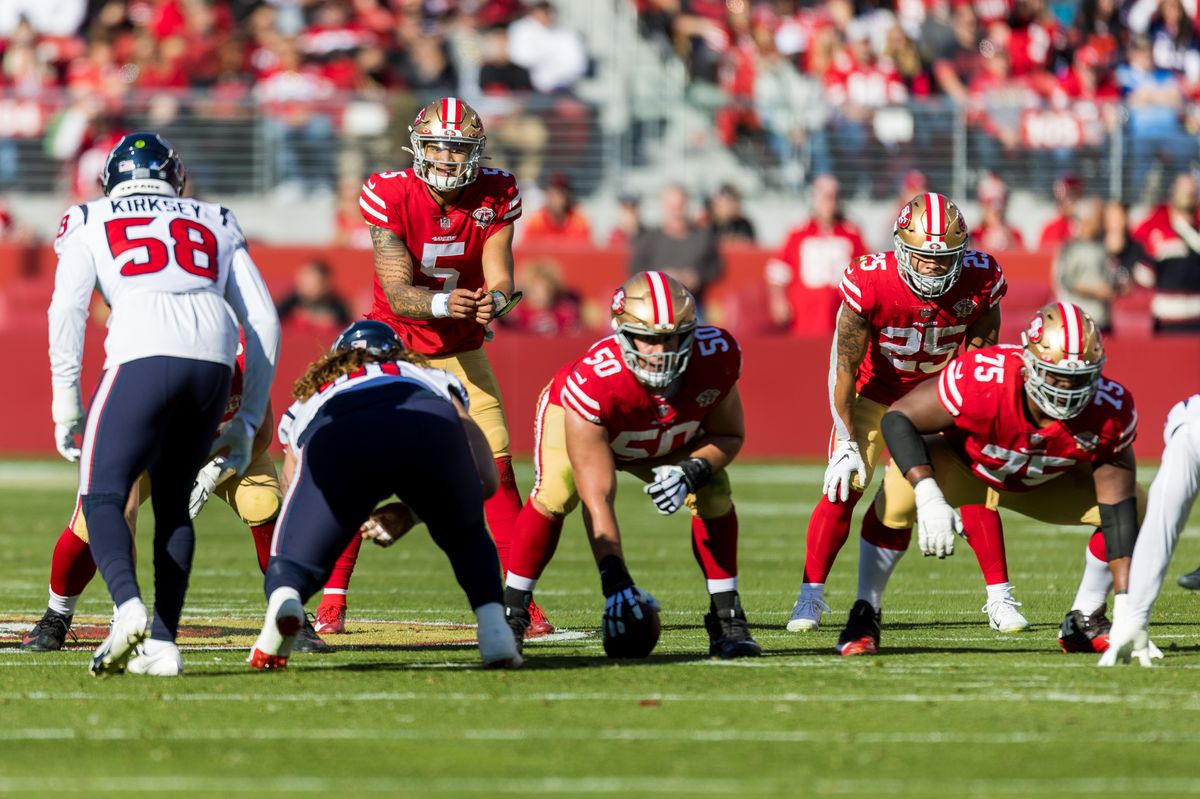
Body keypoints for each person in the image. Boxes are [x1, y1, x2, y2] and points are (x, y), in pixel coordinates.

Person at [47, 132, 280, 676]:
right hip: (214, 360)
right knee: (174, 506)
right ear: (176, 178)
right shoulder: (215, 216)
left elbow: (68, 309)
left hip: (141, 352)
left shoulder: (88, 217)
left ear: (111, 181)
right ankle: (164, 643)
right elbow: (264, 319)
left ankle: (127, 608)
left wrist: (65, 398)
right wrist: (248, 416)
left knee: (102, 495)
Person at [344, 96, 549, 634]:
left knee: (499, 466)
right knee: (351, 468)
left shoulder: (497, 190)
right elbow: (395, 286)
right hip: (392, 342)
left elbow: (501, 276)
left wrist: (495, 302)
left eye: (458, 147)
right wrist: (441, 303)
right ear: (418, 145)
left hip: (460, 347)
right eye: (437, 144)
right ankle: (331, 602)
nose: (447, 157)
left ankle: (519, 604)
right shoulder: (389, 191)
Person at [837, 302, 1142, 657]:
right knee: (898, 491)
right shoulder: (983, 376)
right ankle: (864, 615)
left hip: (1042, 480)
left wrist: (1127, 607)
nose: (1068, 389)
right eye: (1056, 376)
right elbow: (898, 419)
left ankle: (1086, 618)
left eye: (1080, 378)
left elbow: (1117, 507)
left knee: (1137, 506)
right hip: (967, 466)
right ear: (1029, 365)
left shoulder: (1110, 409)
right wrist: (928, 491)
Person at [786, 192, 1016, 633]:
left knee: (974, 484)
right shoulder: (870, 279)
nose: (932, 267)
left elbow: (981, 361)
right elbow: (844, 365)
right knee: (843, 486)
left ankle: (1001, 597)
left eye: (945, 258)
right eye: (923, 257)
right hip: (875, 394)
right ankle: (810, 597)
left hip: (937, 399)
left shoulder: (981, 278)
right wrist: (846, 439)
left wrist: (977, 425)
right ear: (900, 247)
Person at [501, 271, 761, 659]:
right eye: (649, 339)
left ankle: (727, 618)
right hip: (592, 425)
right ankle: (512, 614)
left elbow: (728, 436)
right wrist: (615, 581)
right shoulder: (593, 382)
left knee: (714, 488)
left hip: (662, 438)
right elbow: (599, 498)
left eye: (671, 337)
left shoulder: (716, 356)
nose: (661, 350)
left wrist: (691, 471)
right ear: (622, 335)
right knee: (558, 488)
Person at [21, 345, 331, 658]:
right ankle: (57, 615)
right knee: (93, 522)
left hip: (226, 450)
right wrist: (124, 607)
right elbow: (125, 502)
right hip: (150, 452)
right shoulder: (146, 373)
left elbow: (261, 433)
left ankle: (288, 608)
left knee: (262, 502)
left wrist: (212, 474)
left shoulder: (244, 364)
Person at [248, 321, 520, 671]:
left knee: (292, 559)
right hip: (426, 421)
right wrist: (417, 510)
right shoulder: (428, 377)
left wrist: (336, 517)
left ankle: (285, 601)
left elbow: (293, 490)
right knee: (463, 531)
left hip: (341, 428)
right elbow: (484, 477)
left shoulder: (316, 392)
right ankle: (494, 629)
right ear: (397, 351)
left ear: (338, 358)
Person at [1100, 395, 1199, 666]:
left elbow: (1160, 530)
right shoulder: (1190, 430)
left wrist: (1137, 617)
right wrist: (1135, 618)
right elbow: (1159, 529)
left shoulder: (1189, 427)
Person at [765, 175, 867, 336]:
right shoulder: (798, 232)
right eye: (825, 197)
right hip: (804, 319)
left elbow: (866, 273)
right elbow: (778, 271)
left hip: (841, 320)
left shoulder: (851, 233)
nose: (830, 202)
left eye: (834, 197)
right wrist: (779, 300)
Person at [629, 184, 723, 306]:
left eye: (680, 206)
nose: (677, 212)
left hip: (693, 304)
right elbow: (635, 269)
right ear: (664, 207)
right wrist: (661, 277)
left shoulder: (702, 237)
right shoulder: (649, 239)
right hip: (656, 305)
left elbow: (715, 267)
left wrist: (697, 277)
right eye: (672, 207)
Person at [1131, 172, 1200, 333]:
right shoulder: (1157, 229)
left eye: (1191, 191)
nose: (1187, 196)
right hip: (1167, 317)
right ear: (1173, 193)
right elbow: (1144, 275)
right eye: (1184, 190)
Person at [1053, 198, 1129, 334]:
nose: (1102, 222)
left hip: (1102, 321)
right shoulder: (1071, 249)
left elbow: (1114, 274)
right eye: (1098, 217)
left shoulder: (1103, 247)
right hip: (1078, 323)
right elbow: (1065, 280)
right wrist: (1095, 291)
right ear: (1087, 220)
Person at [275, 259, 352, 330]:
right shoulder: (290, 302)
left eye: (311, 285)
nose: (305, 289)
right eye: (303, 283)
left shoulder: (338, 306)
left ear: (326, 284)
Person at [520, 172, 592, 246]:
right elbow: (527, 251)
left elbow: (586, 253)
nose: (557, 199)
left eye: (561, 193)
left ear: (568, 196)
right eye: (553, 193)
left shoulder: (578, 222)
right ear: (547, 194)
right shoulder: (536, 222)